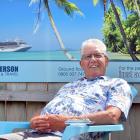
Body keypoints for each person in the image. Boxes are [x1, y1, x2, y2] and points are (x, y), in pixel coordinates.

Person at [0, 39, 132, 140]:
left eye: (97, 55)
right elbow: (45, 112)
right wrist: (34, 121)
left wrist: (65, 122)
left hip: (66, 136)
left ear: (106, 61)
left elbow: (112, 116)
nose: (92, 60)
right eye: (87, 56)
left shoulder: (117, 84)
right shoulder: (68, 86)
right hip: (33, 134)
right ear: (81, 64)